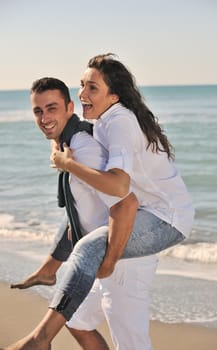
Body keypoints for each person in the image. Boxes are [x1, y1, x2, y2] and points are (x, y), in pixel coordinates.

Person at [5, 54, 194, 350]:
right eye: (81, 86)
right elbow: (83, 210)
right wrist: (52, 265)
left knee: (130, 341)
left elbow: (122, 196)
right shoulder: (99, 127)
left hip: (162, 219)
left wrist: (108, 260)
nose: (83, 94)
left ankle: (40, 340)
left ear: (114, 95)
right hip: (133, 224)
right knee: (77, 320)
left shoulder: (116, 125)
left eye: (92, 88)